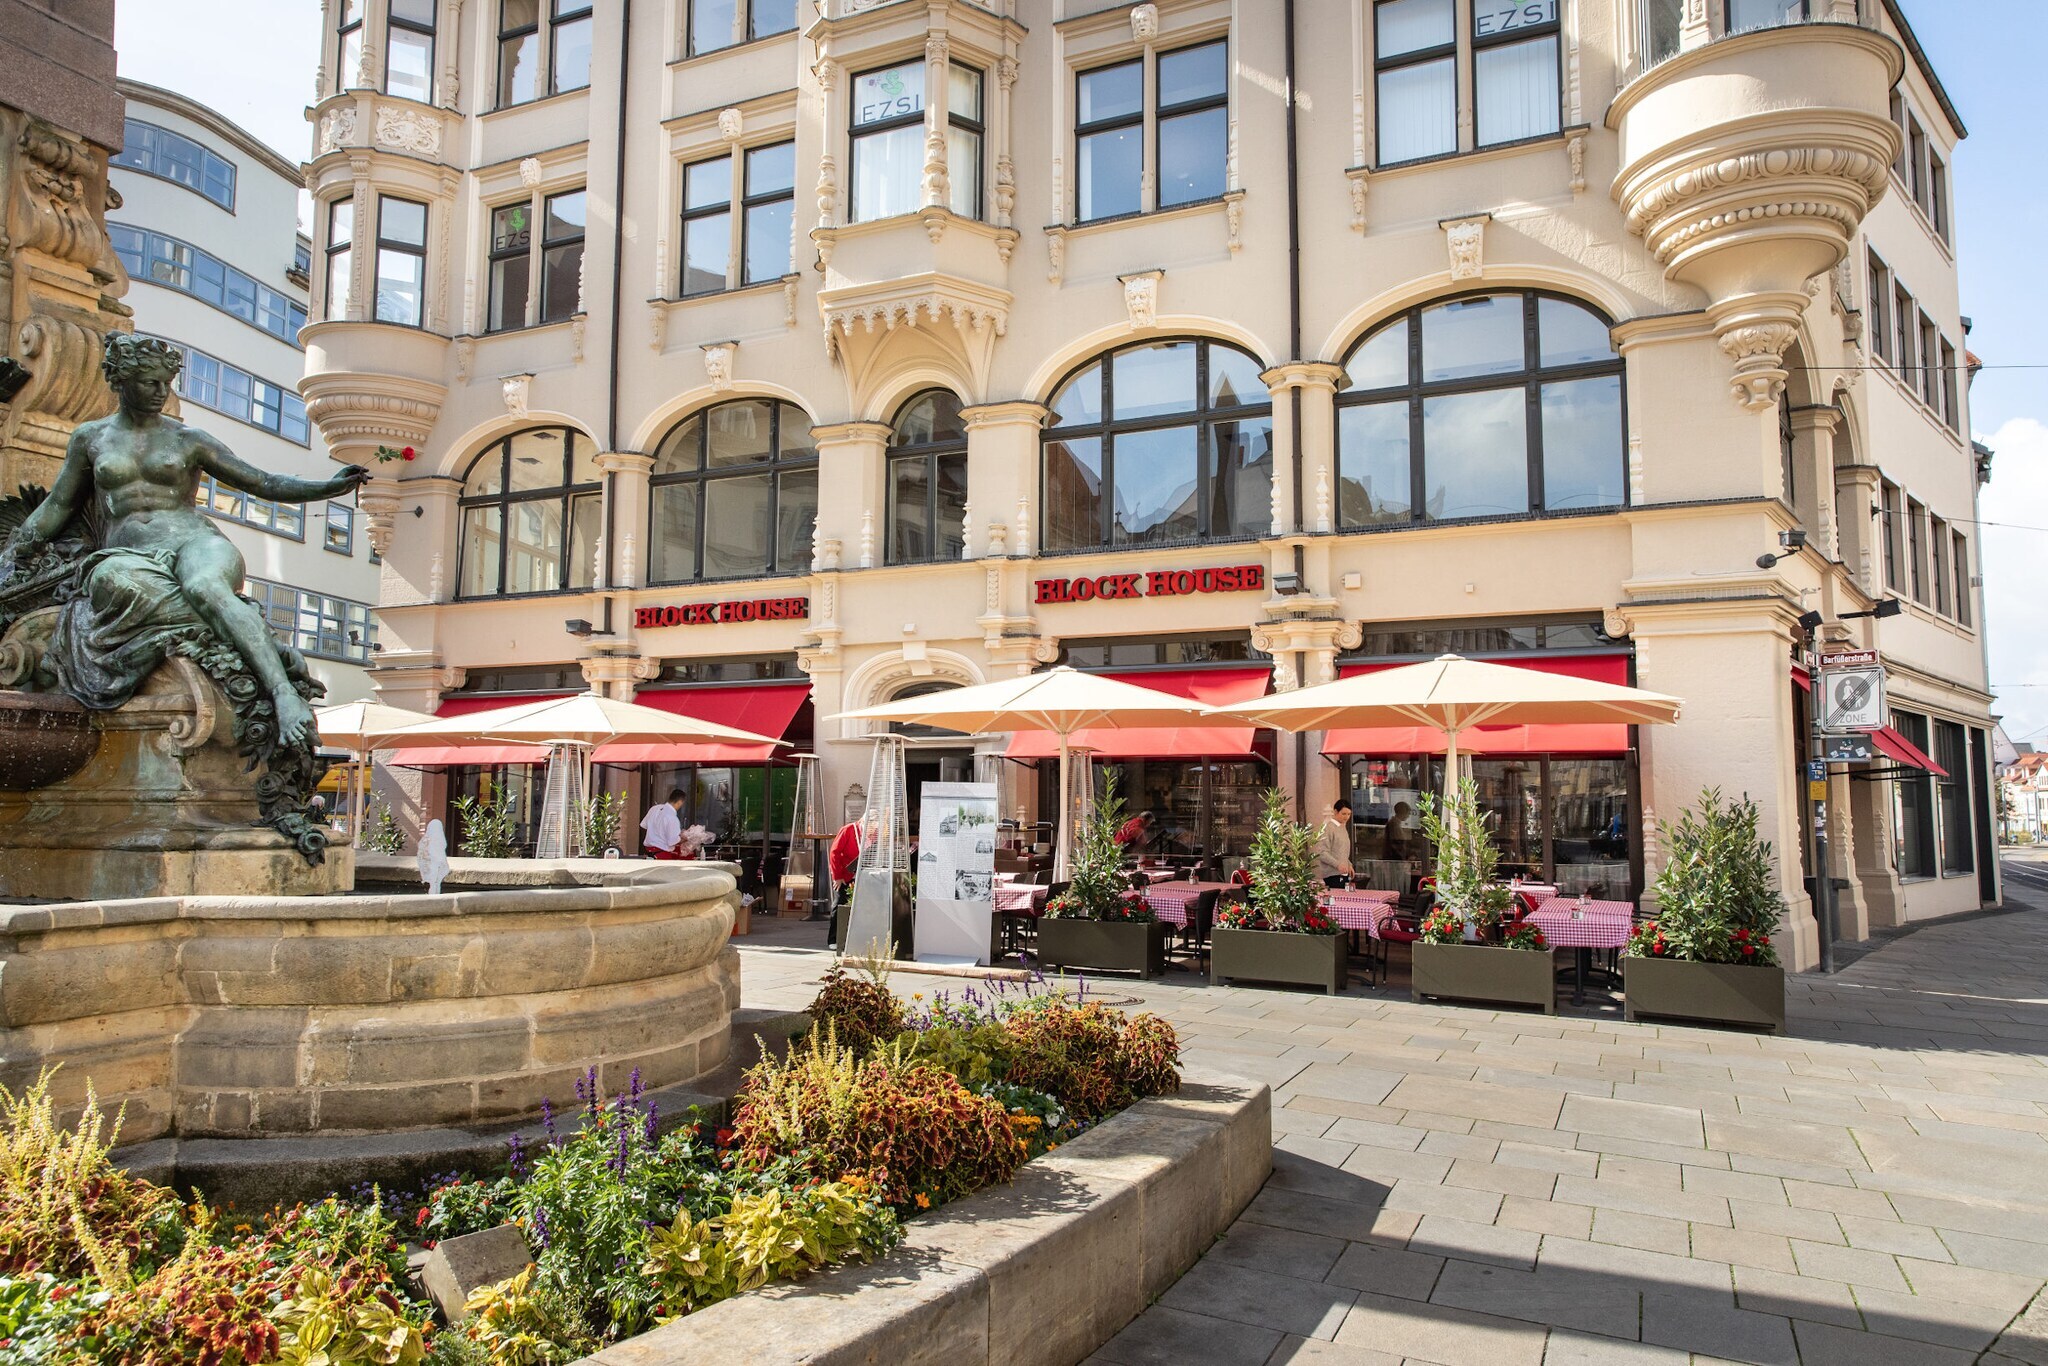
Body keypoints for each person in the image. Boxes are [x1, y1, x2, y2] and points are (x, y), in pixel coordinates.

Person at [1315, 799, 1355, 888]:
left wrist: (1349, 865)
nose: (1346, 817)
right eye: (1343, 814)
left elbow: (1342, 852)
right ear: (1336, 811)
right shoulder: (1328, 828)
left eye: (1349, 814)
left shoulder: (1342, 828)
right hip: (1332, 874)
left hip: (1344, 873)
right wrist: (1337, 865)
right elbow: (1322, 853)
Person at [639, 788, 686, 860]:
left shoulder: (654, 809)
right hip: (662, 853)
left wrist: (654, 834)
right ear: (679, 802)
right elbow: (672, 841)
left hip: (648, 851)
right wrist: (684, 838)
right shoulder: (672, 818)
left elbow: (644, 825)